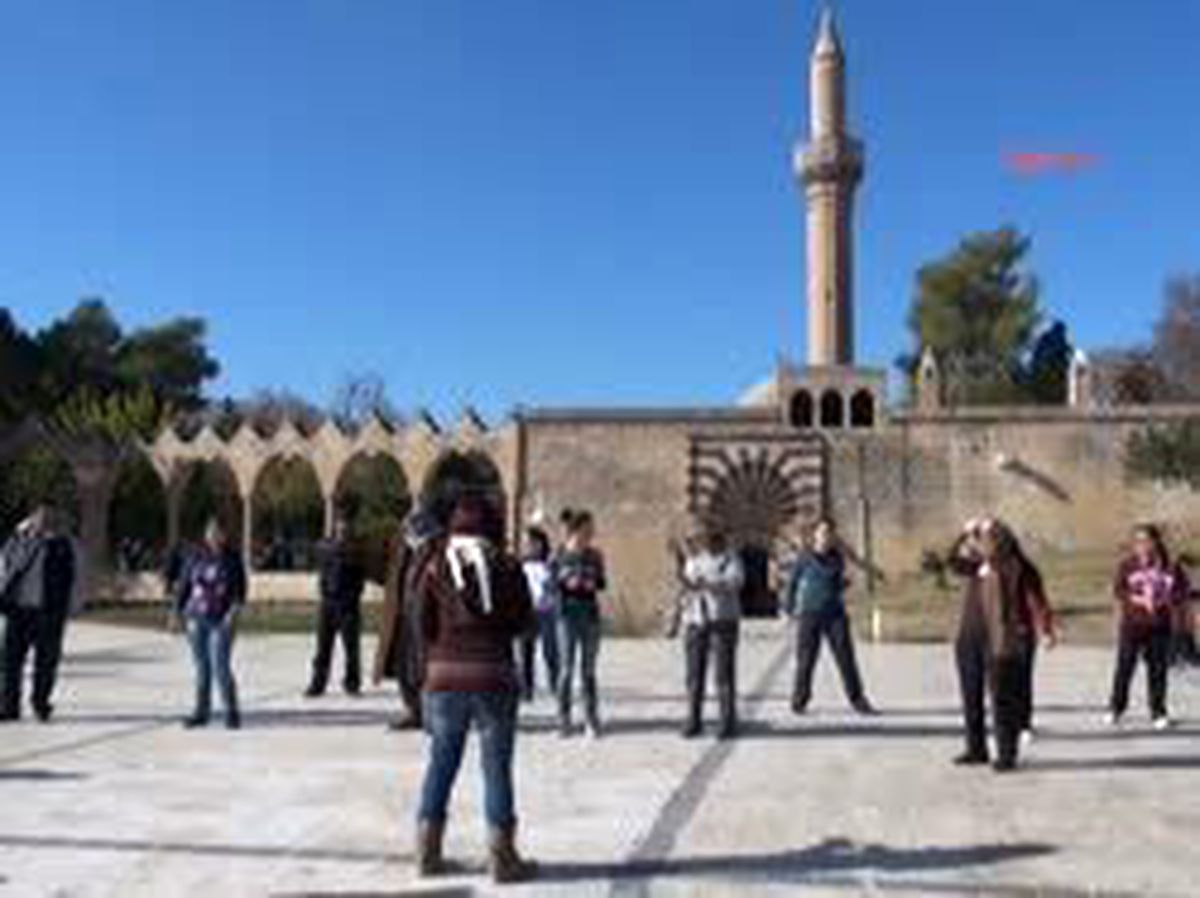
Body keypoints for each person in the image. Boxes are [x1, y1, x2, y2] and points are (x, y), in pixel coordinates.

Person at [414, 495, 537, 884]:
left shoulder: (434, 565)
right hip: (495, 678)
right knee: (496, 768)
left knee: (441, 763)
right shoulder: (508, 565)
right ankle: (502, 857)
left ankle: (427, 852)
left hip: (445, 678)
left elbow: (420, 621)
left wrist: (435, 655)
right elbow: (524, 621)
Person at [947, 518, 1056, 772]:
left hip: (1002, 639)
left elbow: (1036, 600)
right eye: (982, 538)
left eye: (989, 537)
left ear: (1004, 539)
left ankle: (1007, 753)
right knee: (970, 695)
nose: (983, 542)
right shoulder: (977, 566)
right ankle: (976, 748)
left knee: (1002, 699)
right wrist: (964, 533)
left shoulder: (1018, 567)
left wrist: (1045, 630)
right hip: (970, 638)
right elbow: (951, 561)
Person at [782, 518, 876, 716]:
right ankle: (799, 700)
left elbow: (837, 582)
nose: (826, 537)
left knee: (846, 658)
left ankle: (857, 699)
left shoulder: (837, 558)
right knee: (806, 660)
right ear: (815, 535)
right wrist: (789, 609)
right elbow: (792, 583)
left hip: (835, 614)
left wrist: (844, 583)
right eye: (823, 532)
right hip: (810, 614)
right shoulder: (805, 558)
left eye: (830, 533)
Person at [1107, 524, 1191, 729]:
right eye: (1138, 542)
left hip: (1159, 626)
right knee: (1125, 667)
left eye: (1146, 541)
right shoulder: (1127, 565)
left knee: (1157, 670)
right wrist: (1136, 599)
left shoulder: (1170, 567)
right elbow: (1118, 590)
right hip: (1132, 625)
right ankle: (1116, 707)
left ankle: (1158, 711)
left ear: (1156, 542)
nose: (1142, 546)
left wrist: (1164, 599)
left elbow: (1182, 591)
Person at [0, 507, 79, 723]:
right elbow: (8, 563)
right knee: (10, 662)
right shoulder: (19, 542)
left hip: (48, 613)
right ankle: (9, 706)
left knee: (45, 663)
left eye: (47, 520)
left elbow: (73, 576)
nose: (42, 524)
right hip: (18, 611)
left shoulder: (62, 545)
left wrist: (70, 608)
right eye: (38, 519)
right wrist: (19, 534)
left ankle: (40, 703)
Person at [668, 528, 744, 739]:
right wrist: (678, 562)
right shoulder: (695, 560)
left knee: (723, 675)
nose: (706, 543)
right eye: (703, 540)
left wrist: (710, 583)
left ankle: (727, 721)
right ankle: (694, 719)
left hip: (723, 621)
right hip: (696, 620)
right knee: (694, 674)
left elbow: (735, 581)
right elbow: (688, 584)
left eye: (710, 539)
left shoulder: (730, 559)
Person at [173, 518, 247, 730]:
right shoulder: (195, 556)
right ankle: (201, 712)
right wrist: (177, 613)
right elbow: (184, 586)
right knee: (202, 667)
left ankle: (231, 712)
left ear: (224, 536)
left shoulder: (232, 559)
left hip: (221, 620)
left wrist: (233, 613)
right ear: (205, 534)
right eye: (210, 531)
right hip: (196, 618)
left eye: (218, 532)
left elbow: (240, 591)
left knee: (220, 666)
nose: (214, 536)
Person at [373, 506, 442, 731]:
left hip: (426, 618)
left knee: (425, 667)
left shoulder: (437, 552)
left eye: (410, 528)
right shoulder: (405, 551)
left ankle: (430, 713)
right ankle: (414, 710)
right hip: (403, 617)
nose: (406, 533)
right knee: (406, 668)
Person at [552, 508, 607, 738]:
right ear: (577, 529)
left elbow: (603, 582)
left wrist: (591, 583)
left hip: (590, 616)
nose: (592, 532)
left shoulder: (595, 556)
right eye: (588, 528)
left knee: (588, 670)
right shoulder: (559, 554)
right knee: (566, 669)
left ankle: (590, 718)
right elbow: (551, 584)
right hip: (566, 616)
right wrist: (567, 582)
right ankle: (563, 719)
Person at [305, 513, 367, 698]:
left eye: (346, 530)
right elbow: (321, 566)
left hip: (348, 606)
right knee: (323, 647)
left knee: (352, 649)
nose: (342, 532)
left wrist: (351, 598)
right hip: (328, 604)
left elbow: (359, 581)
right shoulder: (326, 549)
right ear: (335, 530)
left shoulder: (355, 552)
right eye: (340, 529)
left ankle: (352, 683)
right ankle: (318, 684)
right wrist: (324, 594)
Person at [518, 527, 559, 701]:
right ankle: (527, 689)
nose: (527, 546)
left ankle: (555, 684)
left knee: (551, 650)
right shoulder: (520, 564)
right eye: (525, 543)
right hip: (527, 611)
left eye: (530, 542)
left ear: (540, 544)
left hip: (547, 611)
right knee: (525, 652)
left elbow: (557, 586)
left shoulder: (550, 563)